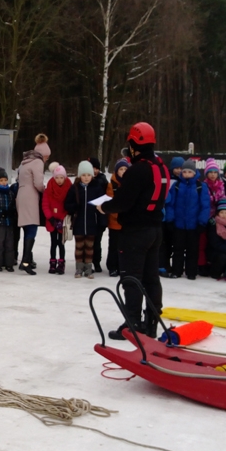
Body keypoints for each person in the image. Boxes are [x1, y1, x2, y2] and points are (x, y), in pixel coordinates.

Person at [100, 123, 170, 339]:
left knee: (131, 278)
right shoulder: (161, 166)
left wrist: (105, 206)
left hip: (135, 232)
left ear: (133, 144)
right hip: (155, 229)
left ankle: (132, 323)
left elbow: (124, 201)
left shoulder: (137, 170)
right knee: (151, 278)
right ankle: (151, 323)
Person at [164, 160, 210, 280]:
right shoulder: (177, 186)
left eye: (190, 172)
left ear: (194, 173)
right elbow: (170, 204)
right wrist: (170, 219)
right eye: (185, 172)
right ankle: (176, 270)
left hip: (194, 225)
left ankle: (191, 271)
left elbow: (205, 206)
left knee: (192, 250)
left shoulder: (201, 187)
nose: (187, 174)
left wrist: (202, 222)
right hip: (179, 224)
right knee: (178, 249)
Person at [16, 134, 50, 275]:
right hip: (31, 197)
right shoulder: (38, 162)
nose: (47, 159)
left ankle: (27, 259)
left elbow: (18, 178)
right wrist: (45, 190)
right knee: (32, 229)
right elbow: (38, 183)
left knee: (26, 228)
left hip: (21, 195)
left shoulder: (25, 161)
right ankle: (25, 262)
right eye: (47, 156)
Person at [64, 161, 104, 279]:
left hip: (92, 222)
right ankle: (79, 268)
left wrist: (102, 221)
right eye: (83, 175)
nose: (86, 178)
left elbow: (102, 206)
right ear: (79, 176)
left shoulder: (97, 187)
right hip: (79, 222)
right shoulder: (74, 188)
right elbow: (67, 204)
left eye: (88, 175)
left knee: (90, 247)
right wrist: (74, 207)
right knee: (79, 246)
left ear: (92, 175)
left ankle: (88, 268)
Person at [42, 164, 71, 275]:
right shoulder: (49, 188)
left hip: (63, 220)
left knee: (61, 243)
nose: (59, 180)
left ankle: (61, 263)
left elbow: (69, 204)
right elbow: (45, 204)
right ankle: (53, 262)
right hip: (52, 220)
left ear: (65, 177)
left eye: (61, 177)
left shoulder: (69, 188)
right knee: (53, 242)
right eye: (57, 177)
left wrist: (64, 217)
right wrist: (50, 217)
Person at [105, 159, 129, 277]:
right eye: (121, 169)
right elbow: (110, 202)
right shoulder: (111, 185)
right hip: (114, 220)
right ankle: (112, 266)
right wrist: (117, 214)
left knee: (125, 246)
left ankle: (122, 266)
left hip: (127, 222)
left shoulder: (130, 184)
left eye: (125, 169)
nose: (123, 171)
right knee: (114, 245)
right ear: (116, 171)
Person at [89, 157, 109, 273]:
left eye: (96, 168)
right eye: (92, 168)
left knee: (97, 242)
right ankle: (88, 262)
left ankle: (97, 262)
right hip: (89, 216)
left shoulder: (103, 181)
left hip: (100, 215)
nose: (94, 171)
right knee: (89, 241)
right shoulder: (85, 180)